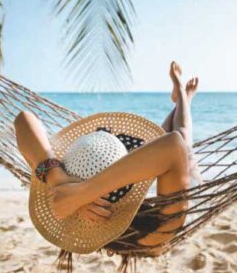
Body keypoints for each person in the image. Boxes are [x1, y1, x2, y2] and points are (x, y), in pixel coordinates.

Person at [14, 61, 199, 248]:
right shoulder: (157, 233)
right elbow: (175, 145)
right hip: (179, 184)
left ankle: (183, 98)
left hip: (132, 167)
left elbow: (23, 120)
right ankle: (184, 97)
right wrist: (81, 194)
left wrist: (60, 181)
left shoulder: (59, 196)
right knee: (182, 135)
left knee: (164, 135)